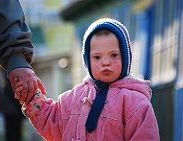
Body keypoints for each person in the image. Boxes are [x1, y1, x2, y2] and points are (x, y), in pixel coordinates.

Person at [15, 18, 160, 140]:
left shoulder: (135, 103)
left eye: (114, 55)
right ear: (87, 61)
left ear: (126, 58)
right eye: (97, 57)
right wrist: (31, 97)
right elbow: (51, 121)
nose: (105, 62)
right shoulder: (72, 97)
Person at [0, 0, 46, 140]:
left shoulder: (4, 76)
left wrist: (17, 59)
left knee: (14, 134)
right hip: (12, 109)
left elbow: (1, 6)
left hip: (12, 110)